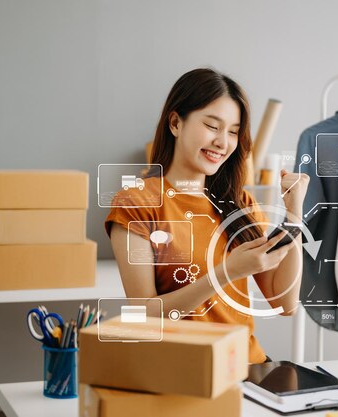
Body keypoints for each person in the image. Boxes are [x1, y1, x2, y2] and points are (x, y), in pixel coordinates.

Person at [105, 68, 309, 363]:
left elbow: (285, 304)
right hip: (184, 371)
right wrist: (227, 272)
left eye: (233, 132)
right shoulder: (136, 203)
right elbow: (145, 314)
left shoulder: (240, 204)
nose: (223, 142)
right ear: (176, 123)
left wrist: (294, 213)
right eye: (213, 126)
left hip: (246, 367)